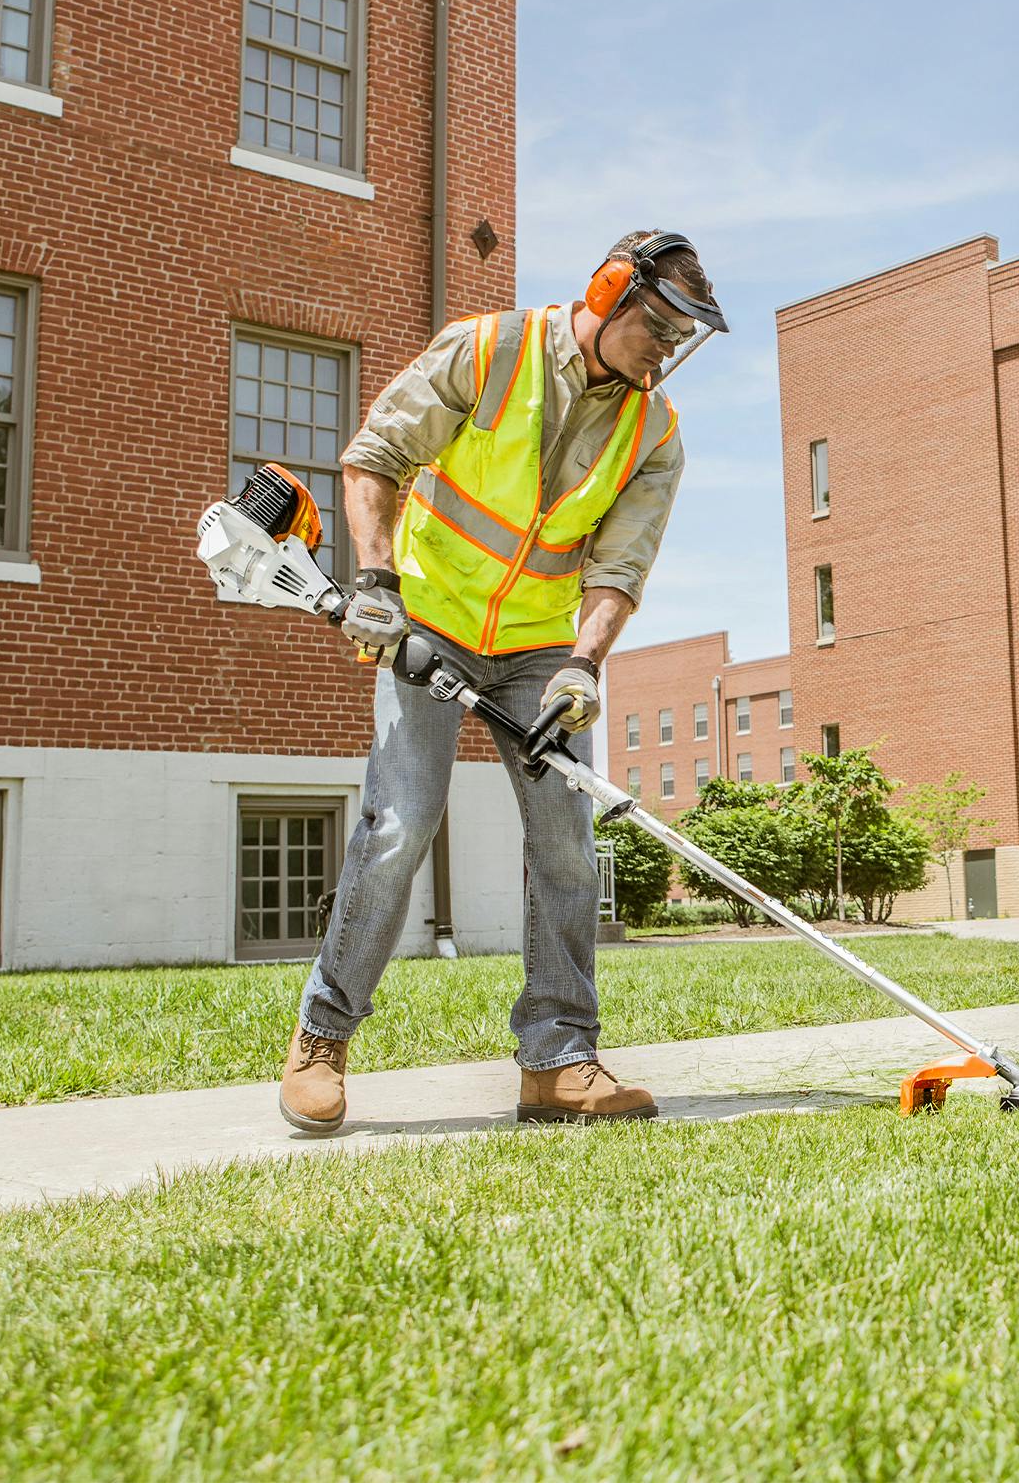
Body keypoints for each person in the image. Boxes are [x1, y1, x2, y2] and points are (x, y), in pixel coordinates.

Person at [278, 231, 726, 1134]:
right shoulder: (487, 351)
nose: (669, 350)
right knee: (400, 824)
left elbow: (619, 569)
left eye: (684, 337)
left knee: (565, 844)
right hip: (428, 621)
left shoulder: (655, 430)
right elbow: (374, 458)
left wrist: (583, 667)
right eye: (662, 328)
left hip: (537, 653)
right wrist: (375, 584)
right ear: (609, 294)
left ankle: (558, 1061)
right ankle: (322, 1038)